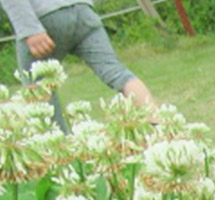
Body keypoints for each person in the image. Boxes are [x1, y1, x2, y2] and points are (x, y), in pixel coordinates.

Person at [1, 0, 156, 129]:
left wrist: (30, 29)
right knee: (116, 72)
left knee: (37, 92)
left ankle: (60, 152)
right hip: (82, 10)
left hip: (44, 16)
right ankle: (162, 127)